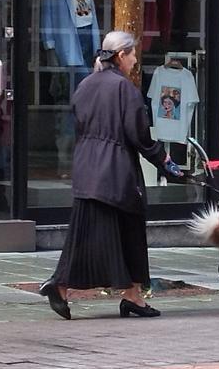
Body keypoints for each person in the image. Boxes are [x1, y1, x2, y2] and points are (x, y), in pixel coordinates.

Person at [39, 31, 182, 320]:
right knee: (126, 231)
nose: (135, 61)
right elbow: (138, 135)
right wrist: (164, 159)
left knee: (90, 234)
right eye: (132, 55)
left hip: (86, 168)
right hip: (115, 172)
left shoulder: (85, 85)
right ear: (120, 55)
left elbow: (80, 124)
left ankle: (130, 295)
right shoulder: (124, 89)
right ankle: (65, 286)